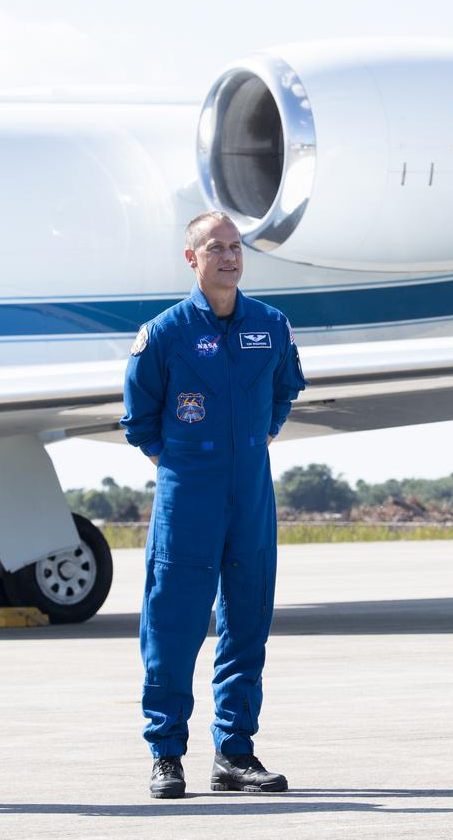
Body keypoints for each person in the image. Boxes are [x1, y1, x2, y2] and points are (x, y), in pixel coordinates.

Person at [122, 211, 307, 799]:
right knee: (173, 626)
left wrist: (257, 439)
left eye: (235, 247)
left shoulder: (271, 326)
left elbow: (284, 391)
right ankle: (166, 753)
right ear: (191, 258)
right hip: (187, 494)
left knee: (247, 623)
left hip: (251, 491)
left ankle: (235, 753)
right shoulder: (165, 333)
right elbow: (139, 420)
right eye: (215, 247)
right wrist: (181, 462)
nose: (228, 256)